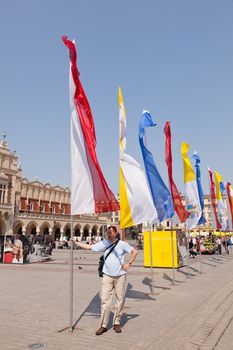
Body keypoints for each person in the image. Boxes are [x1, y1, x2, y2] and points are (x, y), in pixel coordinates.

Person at [74, 225, 138, 335]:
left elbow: (134, 252)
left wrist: (129, 263)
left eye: (109, 233)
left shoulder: (122, 244)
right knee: (105, 300)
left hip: (120, 276)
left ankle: (116, 323)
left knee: (120, 300)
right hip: (107, 275)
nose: (107, 234)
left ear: (115, 233)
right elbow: (90, 247)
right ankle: (103, 326)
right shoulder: (104, 243)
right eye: (107, 233)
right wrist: (76, 243)